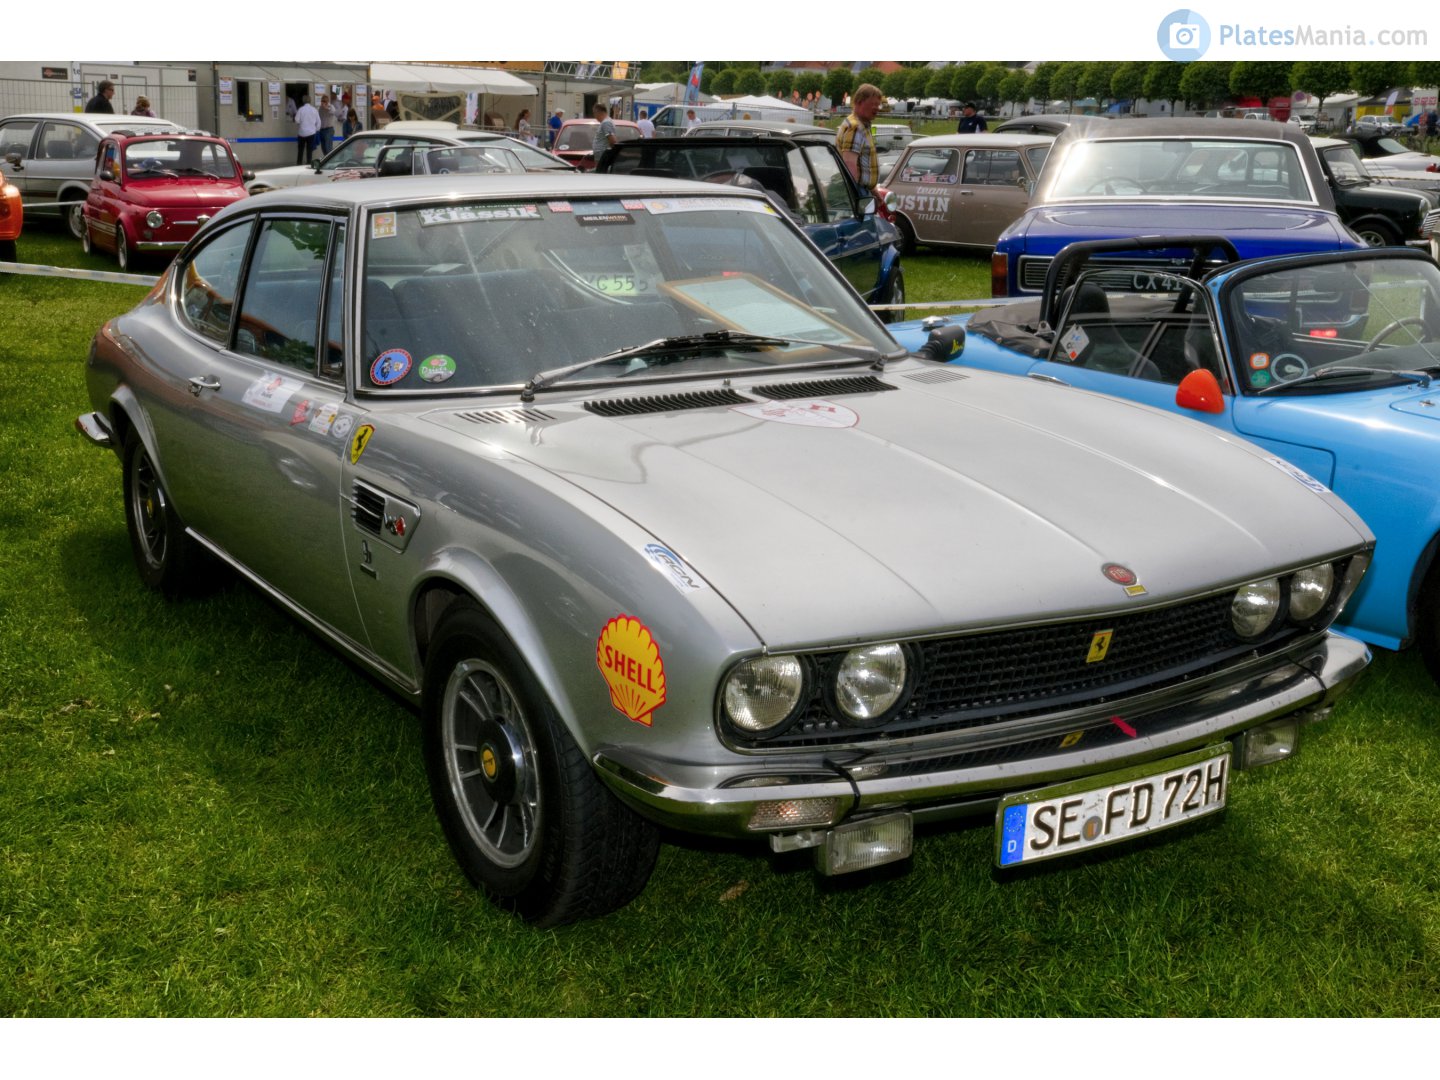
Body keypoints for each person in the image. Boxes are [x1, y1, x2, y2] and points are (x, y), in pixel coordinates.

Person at [836, 82, 883, 194]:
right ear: (859, 102)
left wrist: (873, 190)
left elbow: (862, 165)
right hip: (857, 191)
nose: (877, 108)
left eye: (879, 105)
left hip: (862, 190)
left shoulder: (861, 125)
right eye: (874, 104)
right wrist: (857, 198)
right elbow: (850, 166)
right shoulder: (856, 127)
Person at [295, 96, 321, 165]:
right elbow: (319, 122)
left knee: (300, 150)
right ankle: (309, 163)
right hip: (311, 133)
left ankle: (299, 163)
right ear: (310, 101)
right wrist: (316, 130)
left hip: (301, 133)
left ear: (303, 101)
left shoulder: (300, 109)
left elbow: (296, 120)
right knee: (309, 150)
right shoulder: (314, 110)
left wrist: (301, 123)